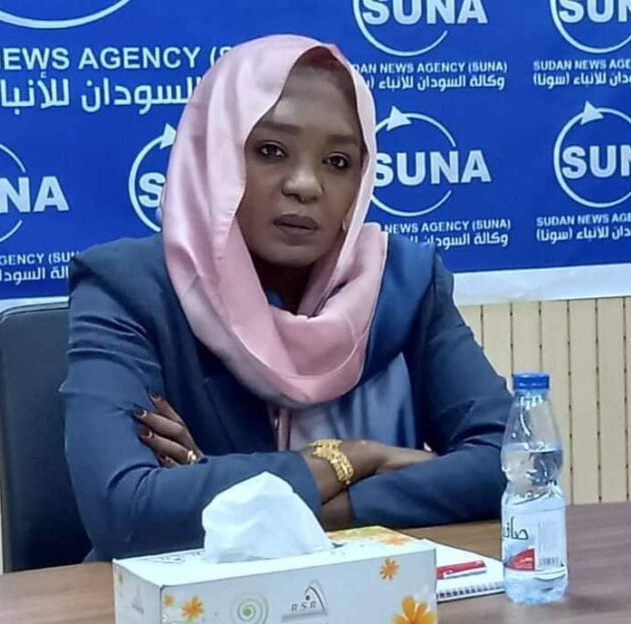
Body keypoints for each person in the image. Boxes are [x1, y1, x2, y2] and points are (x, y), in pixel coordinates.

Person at [62, 35, 511, 561]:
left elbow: (513, 463)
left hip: (377, 590)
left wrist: (294, 504)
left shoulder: (403, 284)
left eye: (338, 162)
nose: (305, 185)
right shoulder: (129, 288)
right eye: (271, 151)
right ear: (215, 155)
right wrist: (353, 457)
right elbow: (126, 511)